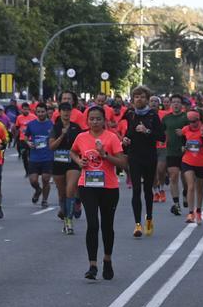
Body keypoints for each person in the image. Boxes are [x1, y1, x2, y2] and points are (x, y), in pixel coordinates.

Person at [70, 105, 127, 280]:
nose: (94, 122)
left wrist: (105, 155)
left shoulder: (111, 137)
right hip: (87, 186)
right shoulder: (81, 137)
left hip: (109, 187)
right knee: (93, 224)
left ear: (104, 121)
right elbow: (73, 152)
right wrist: (79, 161)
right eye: (91, 119)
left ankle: (107, 260)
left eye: (98, 119)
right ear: (87, 121)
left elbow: (123, 163)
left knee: (107, 226)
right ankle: (92, 265)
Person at [120, 86, 164, 238]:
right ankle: (137, 224)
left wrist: (147, 131)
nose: (139, 99)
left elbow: (161, 137)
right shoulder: (130, 114)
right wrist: (125, 140)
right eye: (136, 96)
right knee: (136, 189)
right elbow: (127, 134)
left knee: (147, 190)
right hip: (134, 156)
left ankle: (149, 219)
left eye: (142, 97)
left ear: (147, 99)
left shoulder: (153, 115)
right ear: (132, 99)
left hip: (149, 156)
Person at [50, 102, 84, 234]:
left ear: (71, 112)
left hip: (73, 162)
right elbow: (52, 147)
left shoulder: (76, 127)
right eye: (63, 110)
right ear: (59, 112)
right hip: (58, 162)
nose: (66, 113)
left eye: (68, 110)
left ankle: (69, 221)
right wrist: (62, 135)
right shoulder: (55, 127)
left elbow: (82, 143)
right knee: (62, 193)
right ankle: (65, 217)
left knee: (70, 190)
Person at [179, 108, 203, 224]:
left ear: (199, 119)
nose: (192, 124)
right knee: (191, 186)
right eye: (190, 121)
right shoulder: (185, 129)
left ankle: (198, 211)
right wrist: (183, 147)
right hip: (188, 161)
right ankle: (190, 213)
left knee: (199, 189)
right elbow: (183, 143)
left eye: (195, 121)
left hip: (202, 162)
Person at [160, 95, 189, 215]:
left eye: (178, 102)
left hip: (185, 151)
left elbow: (194, 131)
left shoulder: (186, 117)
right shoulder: (166, 118)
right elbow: (161, 132)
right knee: (173, 176)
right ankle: (176, 204)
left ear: (182, 105)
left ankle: (185, 192)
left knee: (185, 178)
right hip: (171, 151)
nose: (176, 104)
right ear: (171, 104)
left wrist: (184, 133)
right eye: (174, 102)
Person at [24, 104, 54, 208]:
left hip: (48, 157)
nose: (40, 114)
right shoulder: (31, 124)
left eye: (42, 112)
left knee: (46, 179)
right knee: (33, 180)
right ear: (35, 112)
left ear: (46, 112)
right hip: (34, 157)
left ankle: (44, 200)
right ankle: (37, 190)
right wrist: (28, 143)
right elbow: (25, 137)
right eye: (38, 112)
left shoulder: (52, 124)